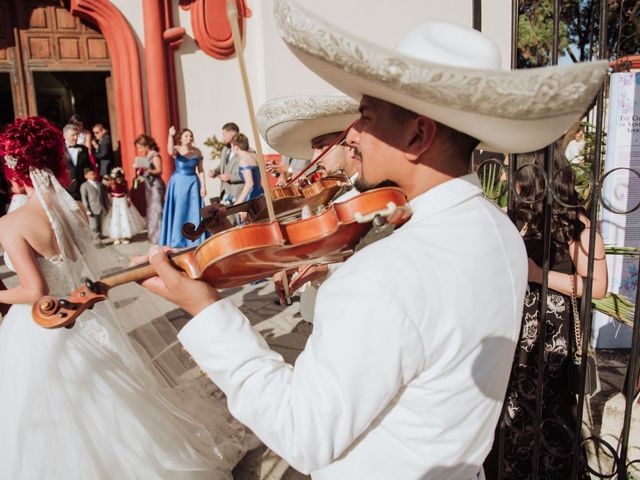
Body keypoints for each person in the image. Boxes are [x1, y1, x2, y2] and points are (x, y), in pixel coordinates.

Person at [138, 3, 607, 478]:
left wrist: (209, 313)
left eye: (365, 116)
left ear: (418, 135)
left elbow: (302, 432)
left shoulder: (383, 275)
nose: (353, 133)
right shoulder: (498, 229)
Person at [0, 117, 249, 479]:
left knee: (47, 410)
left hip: (43, 324)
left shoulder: (12, 223)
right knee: (109, 401)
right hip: (83, 315)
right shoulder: (72, 210)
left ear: (13, 167)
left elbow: (34, 291)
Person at [484, 149, 608, 479]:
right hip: (511, 336)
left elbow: (597, 288)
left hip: (550, 343)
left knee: (547, 420)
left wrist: (539, 275)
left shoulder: (575, 222)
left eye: (512, 170)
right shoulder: (516, 217)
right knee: (508, 418)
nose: (504, 177)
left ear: (532, 174)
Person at [257, 94, 360, 314]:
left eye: (322, 147)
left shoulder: (368, 193)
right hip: (318, 311)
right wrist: (293, 264)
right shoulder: (327, 191)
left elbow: (371, 257)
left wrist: (323, 269)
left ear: (350, 145)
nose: (314, 158)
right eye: (313, 149)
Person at [160, 126, 206, 248]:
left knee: (194, 211)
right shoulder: (177, 149)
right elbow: (169, 151)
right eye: (186, 135)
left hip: (193, 183)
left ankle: (194, 238)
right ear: (180, 138)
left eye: (190, 136)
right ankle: (177, 240)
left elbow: (200, 170)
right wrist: (170, 135)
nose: (189, 138)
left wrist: (203, 186)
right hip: (178, 183)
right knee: (180, 210)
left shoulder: (197, 151)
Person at [133, 134, 165, 243]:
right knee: (151, 209)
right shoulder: (146, 157)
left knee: (157, 209)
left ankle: (160, 236)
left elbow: (159, 171)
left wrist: (147, 170)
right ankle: (153, 235)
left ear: (147, 145)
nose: (139, 150)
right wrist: (140, 174)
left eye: (140, 147)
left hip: (156, 186)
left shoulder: (155, 155)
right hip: (149, 186)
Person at [103, 167, 145, 245]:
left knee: (124, 217)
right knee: (116, 218)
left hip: (122, 200)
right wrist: (109, 202)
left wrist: (128, 199)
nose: (119, 179)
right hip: (115, 201)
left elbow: (127, 191)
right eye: (117, 178)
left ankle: (125, 236)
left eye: (121, 177)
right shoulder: (111, 184)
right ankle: (117, 237)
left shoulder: (124, 182)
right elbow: (108, 194)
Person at [207, 122, 244, 205]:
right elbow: (222, 166)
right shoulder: (225, 149)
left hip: (239, 195)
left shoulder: (246, 151)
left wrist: (231, 177)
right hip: (225, 194)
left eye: (224, 135)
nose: (223, 138)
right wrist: (215, 171)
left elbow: (250, 173)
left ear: (233, 133)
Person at [230, 133, 264, 205]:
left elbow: (249, 183)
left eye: (232, 147)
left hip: (251, 196)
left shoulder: (243, 161)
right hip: (261, 193)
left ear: (236, 147)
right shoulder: (255, 156)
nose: (231, 149)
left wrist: (239, 201)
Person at [62, 123, 93, 200]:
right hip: (66, 189)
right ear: (65, 136)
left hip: (83, 189)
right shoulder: (58, 151)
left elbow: (88, 166)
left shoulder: (84, 149)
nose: (76, 138)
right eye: (73, 135)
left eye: (77, 135)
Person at [79, 167, 107, 244]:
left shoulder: (99, 184)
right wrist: (87, 209)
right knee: (93, 226)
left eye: (94, 174)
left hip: (101, 207)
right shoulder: (84, 186)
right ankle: (96, 241)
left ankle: (101, 238)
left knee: (101, 224)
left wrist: (106, 207)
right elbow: (84, 199)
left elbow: (103, 196)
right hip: (92, 208)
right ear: (86, 176)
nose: (93, 176)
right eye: (91, 174)